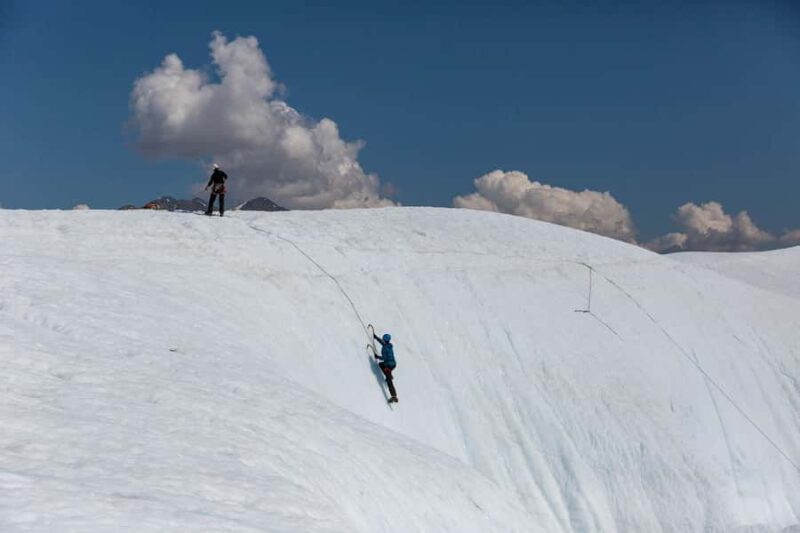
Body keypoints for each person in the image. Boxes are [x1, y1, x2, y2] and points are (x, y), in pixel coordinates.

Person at [373, 332, 398, 403]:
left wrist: (377, 356)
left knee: (389, 380)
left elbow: (384, 358)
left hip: (388, 365)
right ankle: (389, 375)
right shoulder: (389, 346)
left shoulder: (385, 348)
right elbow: (382, 343)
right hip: (393, 364)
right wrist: (376, 337)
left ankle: (394, 396)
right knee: (381, 364)